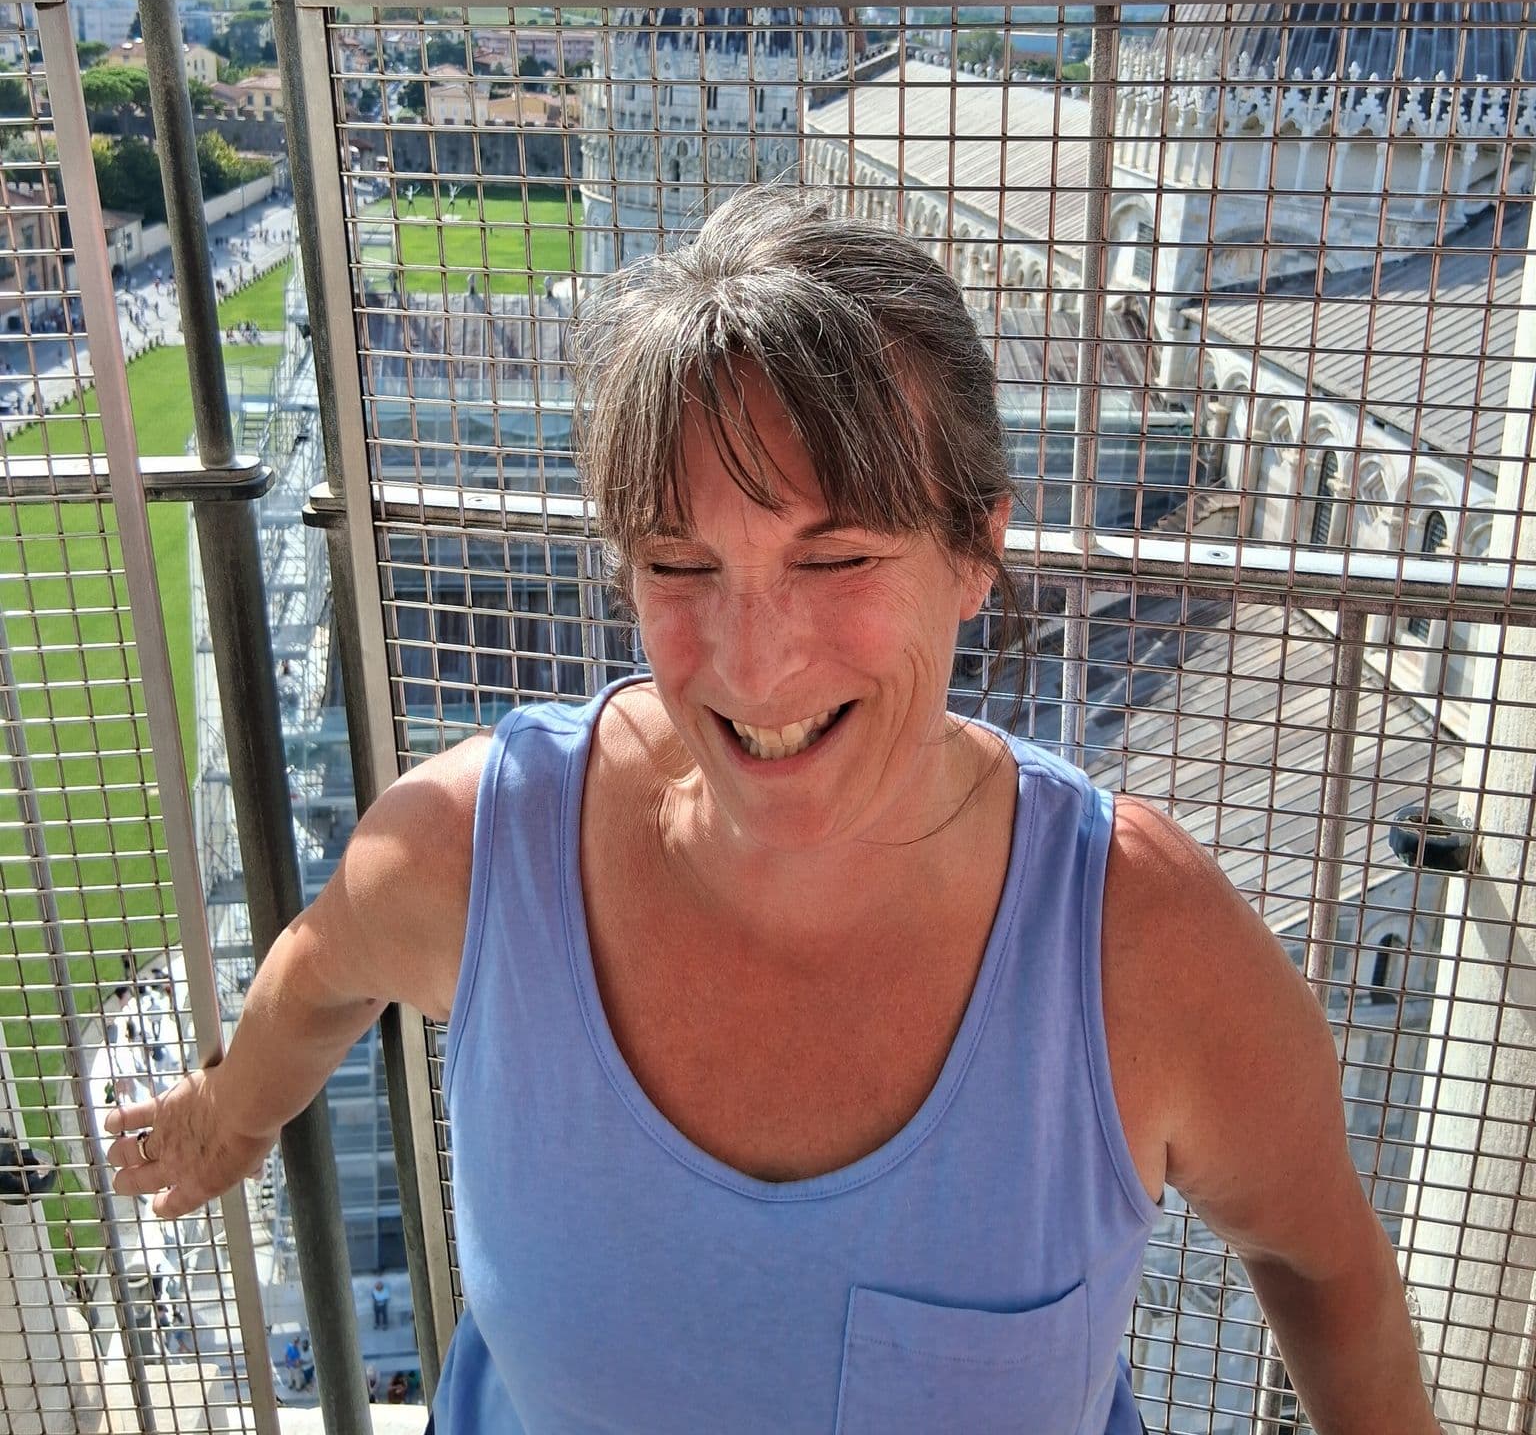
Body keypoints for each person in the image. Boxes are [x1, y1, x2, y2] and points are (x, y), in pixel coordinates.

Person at [105, 188, 1441, 1432]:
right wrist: (232, 1110)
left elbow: (1330, 1276)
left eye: (840, 556)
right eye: (681, 565)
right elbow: (321, 970)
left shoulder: (1145, 949)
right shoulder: (473, 849)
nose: (754, 666)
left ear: (977, 551)